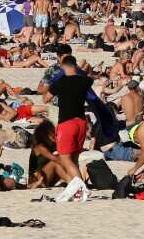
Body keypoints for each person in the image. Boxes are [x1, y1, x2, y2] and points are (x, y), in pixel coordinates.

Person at [44, 54, 91, 198]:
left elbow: (45, 98)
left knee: (65, 158)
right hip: (82, 122)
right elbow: (87, 76)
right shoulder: (86, 81)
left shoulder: (60, 82)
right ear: (75, 65)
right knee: (74, 158)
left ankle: (82, 188)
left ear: (63, 66)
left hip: (67, 122)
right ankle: (75, 188)